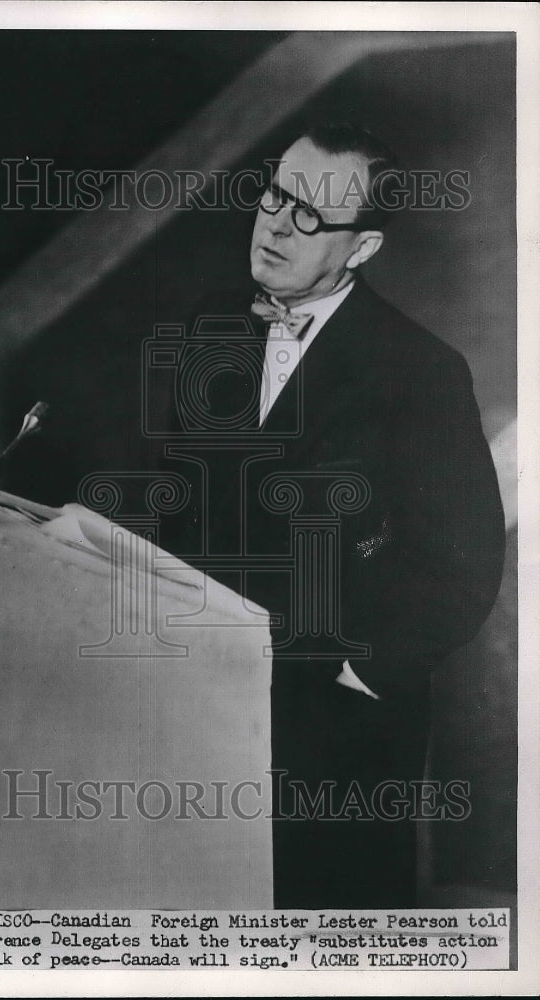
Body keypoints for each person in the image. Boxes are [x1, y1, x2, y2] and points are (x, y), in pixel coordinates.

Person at [158, 123, 505, 908]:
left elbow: (463, 566)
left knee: (329, 934)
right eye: (277, 194)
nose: (278, 223)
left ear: (363, 248)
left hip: (338, 734)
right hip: (206, 703)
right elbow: (182, 498)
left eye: (313, 214)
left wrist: (360, 672)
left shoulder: (421, 372)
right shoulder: (214, 320)